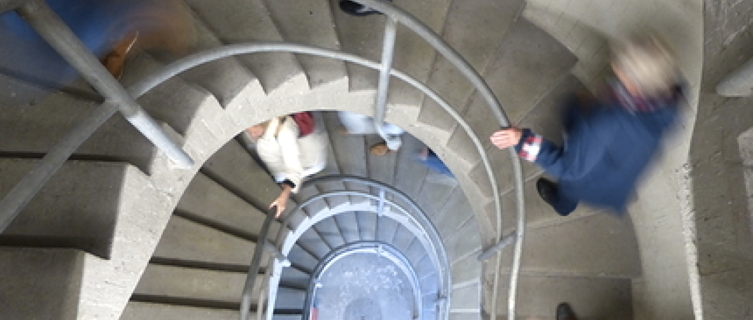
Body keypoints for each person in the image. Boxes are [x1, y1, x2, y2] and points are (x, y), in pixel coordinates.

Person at [490, 32, 684, 216]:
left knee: (570, 186)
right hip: (616, 165)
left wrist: (521, 139)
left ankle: (562, 205)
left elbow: (569, 169)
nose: (615, 66)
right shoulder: (669, 100)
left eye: (620, 69)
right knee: (572, 110)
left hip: (591, 179)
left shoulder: (605, 125)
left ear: (633, 86)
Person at [247, 114, 329, 218]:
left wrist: (284, 195)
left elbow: (294, 169)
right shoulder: (265, 128)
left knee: (291, 180)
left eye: (254, 131)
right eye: (249, 132)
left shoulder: (285, 133)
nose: (253, 135)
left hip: (308, 163)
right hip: (281, 163)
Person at [338, 111, 405, 155]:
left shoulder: (392, 132)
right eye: (379, 151)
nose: (379, 150)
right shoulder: (395, 130)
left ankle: (350, 130)